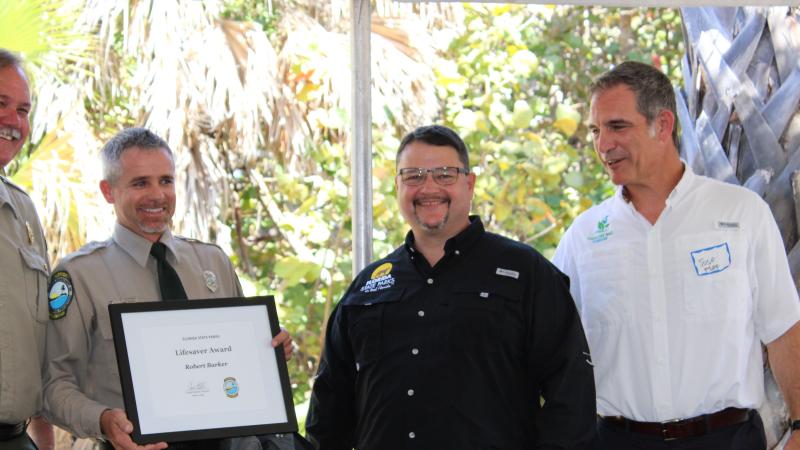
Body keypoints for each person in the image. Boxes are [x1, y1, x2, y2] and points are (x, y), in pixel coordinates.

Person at [552, 61, 800, 449]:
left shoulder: (741, 213)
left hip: (728, 439)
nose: (603, 145)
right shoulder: (582, 237)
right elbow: (550, 347)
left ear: (663, 125)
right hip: (617, 441)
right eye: (596, 131)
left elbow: (784, 327)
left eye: (617, 126)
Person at [306, 124, 596, 449]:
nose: (429, 187)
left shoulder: (527, 274)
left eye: (445, 174)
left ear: (469, 184)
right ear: (397, 186)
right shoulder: (368, 287)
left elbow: (572, 398)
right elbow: (329, 411)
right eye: (413, 176)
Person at [41, 128, 299, 450]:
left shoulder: (212, 261)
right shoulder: (79, 275)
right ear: (108, 191)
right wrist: (104, 419)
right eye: (140, 183)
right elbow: (54, 384)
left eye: (166, 180)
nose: (157, 195)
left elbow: (241, 362)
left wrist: (270, 347)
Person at [0, 48, 55, 450]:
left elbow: (41, 338)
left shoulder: (24, 211)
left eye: (23, 109)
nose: (13, 121)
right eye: (1, 103)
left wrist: (44, 440)